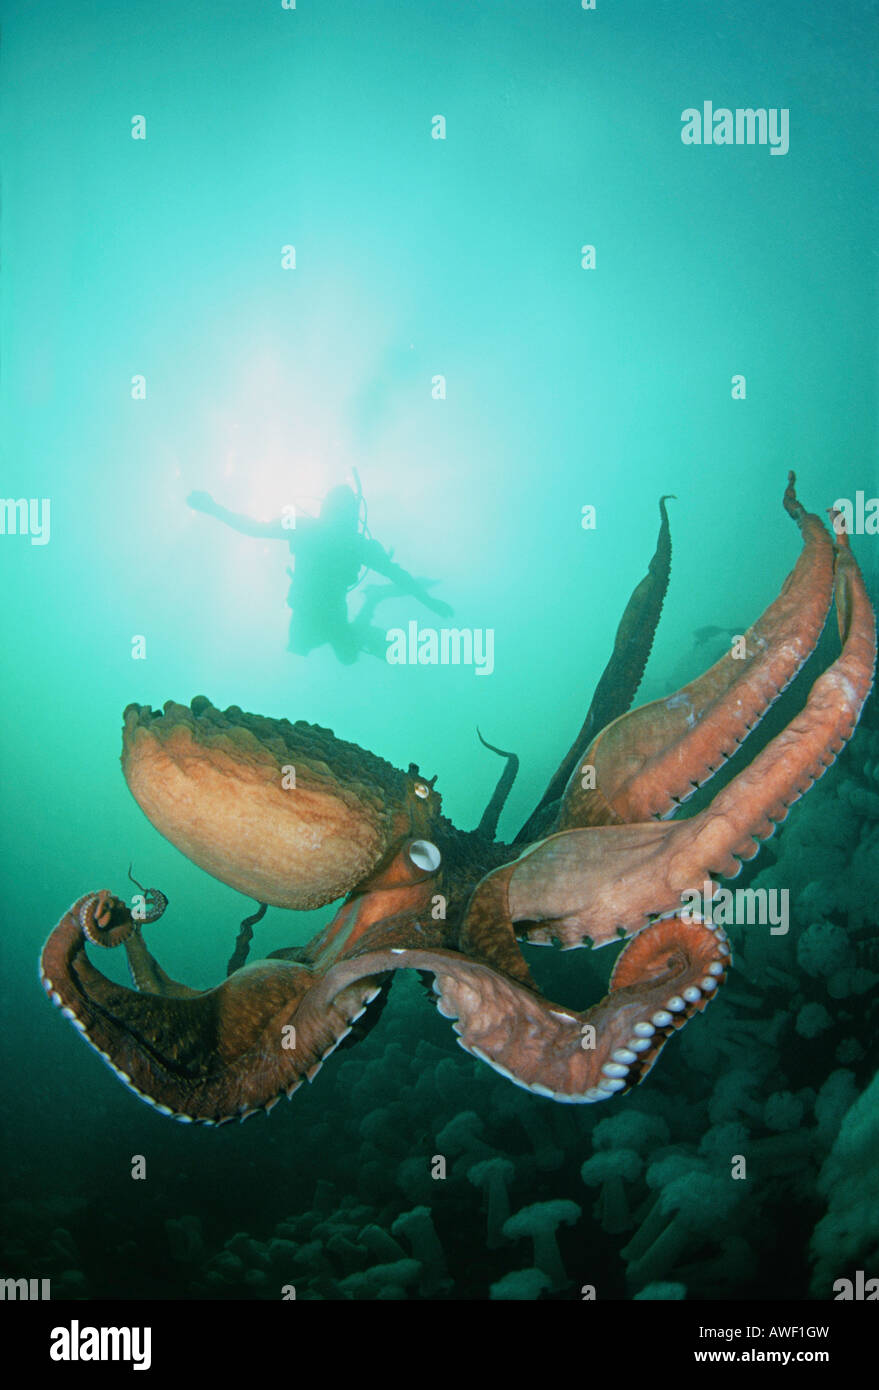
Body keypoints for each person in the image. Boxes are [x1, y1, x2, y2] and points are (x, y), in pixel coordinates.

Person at [187, 483, 452, 663]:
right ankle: (372, 601)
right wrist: (429, 601)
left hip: (322, 610)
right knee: (331, 653)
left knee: (345, 656)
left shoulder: (314, 531)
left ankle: (372, 601)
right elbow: (398, 575)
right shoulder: (352, 542)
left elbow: (255, 528)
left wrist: (213, 507)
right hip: (314, 610)